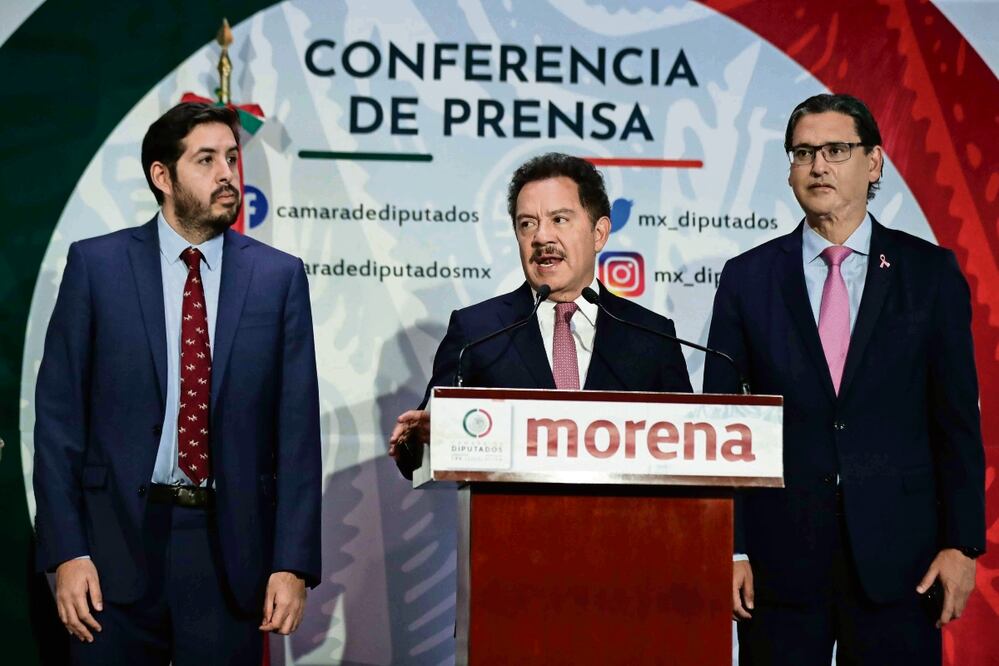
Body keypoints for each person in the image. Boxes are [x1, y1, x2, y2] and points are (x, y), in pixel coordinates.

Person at [33, 102, 322, 664]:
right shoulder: (97, 266)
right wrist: (67, 552)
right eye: (206, 160)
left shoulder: (277, 277)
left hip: (229, 554)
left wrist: (292, 562)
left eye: (233, 159)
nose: (227, 175)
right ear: (161, 176)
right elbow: (58, 423)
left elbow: (297, 432)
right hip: (110, 553)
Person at [704, 93, 985, 664]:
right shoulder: (747, 278)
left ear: (874, 162)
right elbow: (723, 426)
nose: (818, 165)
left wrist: (963, 544)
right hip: (778, 564)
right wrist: (729, 549)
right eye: (803, 152)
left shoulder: (929, 275)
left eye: (837, 149)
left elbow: (956, 420)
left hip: (901, 563)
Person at [389, 152, 692, 477]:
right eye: (527, 224)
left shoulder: (651, 335)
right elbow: (420, 444)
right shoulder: (477, 331)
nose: (541, 237)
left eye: (559, 219)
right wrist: (418, 440)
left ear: (599, 233)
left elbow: (691, 449)